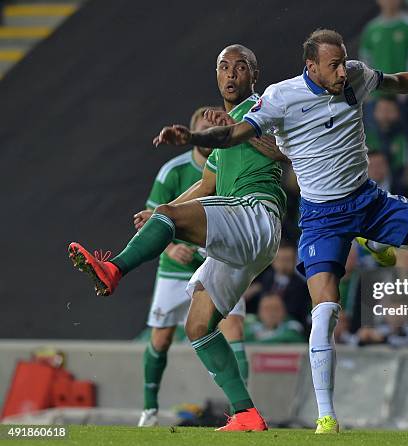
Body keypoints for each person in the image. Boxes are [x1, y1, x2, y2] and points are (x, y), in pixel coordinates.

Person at [152, 29, 408, 434]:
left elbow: (404, 82)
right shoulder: (281, 97)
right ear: (310, 65)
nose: (341, 70)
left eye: (343, 61)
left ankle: (376, 237)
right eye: (333, 64)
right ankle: (326, 417)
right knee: (325, 311)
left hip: (368, 201)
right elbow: (236, 133)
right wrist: (193, 138)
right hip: (321, 219)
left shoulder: (354, 75)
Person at [69, 44, 288, 432]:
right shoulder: (223, 132)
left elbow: (282, 154)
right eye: (224, 67)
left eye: (241, 67)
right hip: (242, 230)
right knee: (199, 326)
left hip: (257, 213)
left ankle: (114, 269)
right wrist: (159, 211)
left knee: (171, 221)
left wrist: (224, 130)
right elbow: (207, 184)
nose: (232, 73)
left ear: (255, 74)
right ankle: (246, 415)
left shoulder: (265, 107)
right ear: (217, 75)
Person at [137, 108, 252, 427]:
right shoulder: (172, 171)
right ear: (191, 135)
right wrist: (173, 247)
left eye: (211, 130)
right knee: (160, 339)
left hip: (219, 261)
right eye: (202, 130)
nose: (207, 135)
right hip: (175, 268)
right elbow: (151, 218)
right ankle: (149, 410)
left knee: (234, 329)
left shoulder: (231, 165)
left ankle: (242, 410)